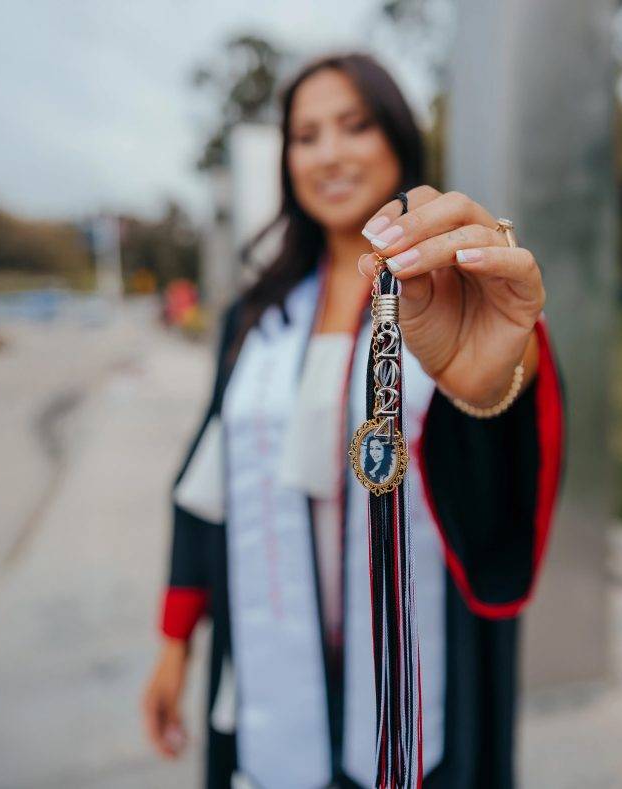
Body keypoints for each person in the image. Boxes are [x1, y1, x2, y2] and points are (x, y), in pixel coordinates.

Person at [142, 51, 564, 789]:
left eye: (354, 125)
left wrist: (489, 381)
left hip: (420, 659)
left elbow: (501, 470)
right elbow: (209, 480)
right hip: (271, 638)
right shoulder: (257, 317)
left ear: (398, 138)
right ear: (286, 161)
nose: (329, 153)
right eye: (305, 136)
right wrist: (176, 639)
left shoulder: (454, 293)